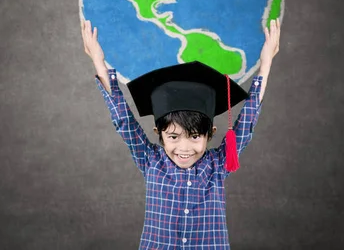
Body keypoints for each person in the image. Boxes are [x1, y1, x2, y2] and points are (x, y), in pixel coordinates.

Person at [81, 18, 281, 249]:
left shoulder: (218, 165)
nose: (184, 148)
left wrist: (266, 63)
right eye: (173, 137)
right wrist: (98, 61)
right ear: (159, 132)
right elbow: (124, 120)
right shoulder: (150, 160)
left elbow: (246, 122)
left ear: (210, 133)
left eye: (195, 136)